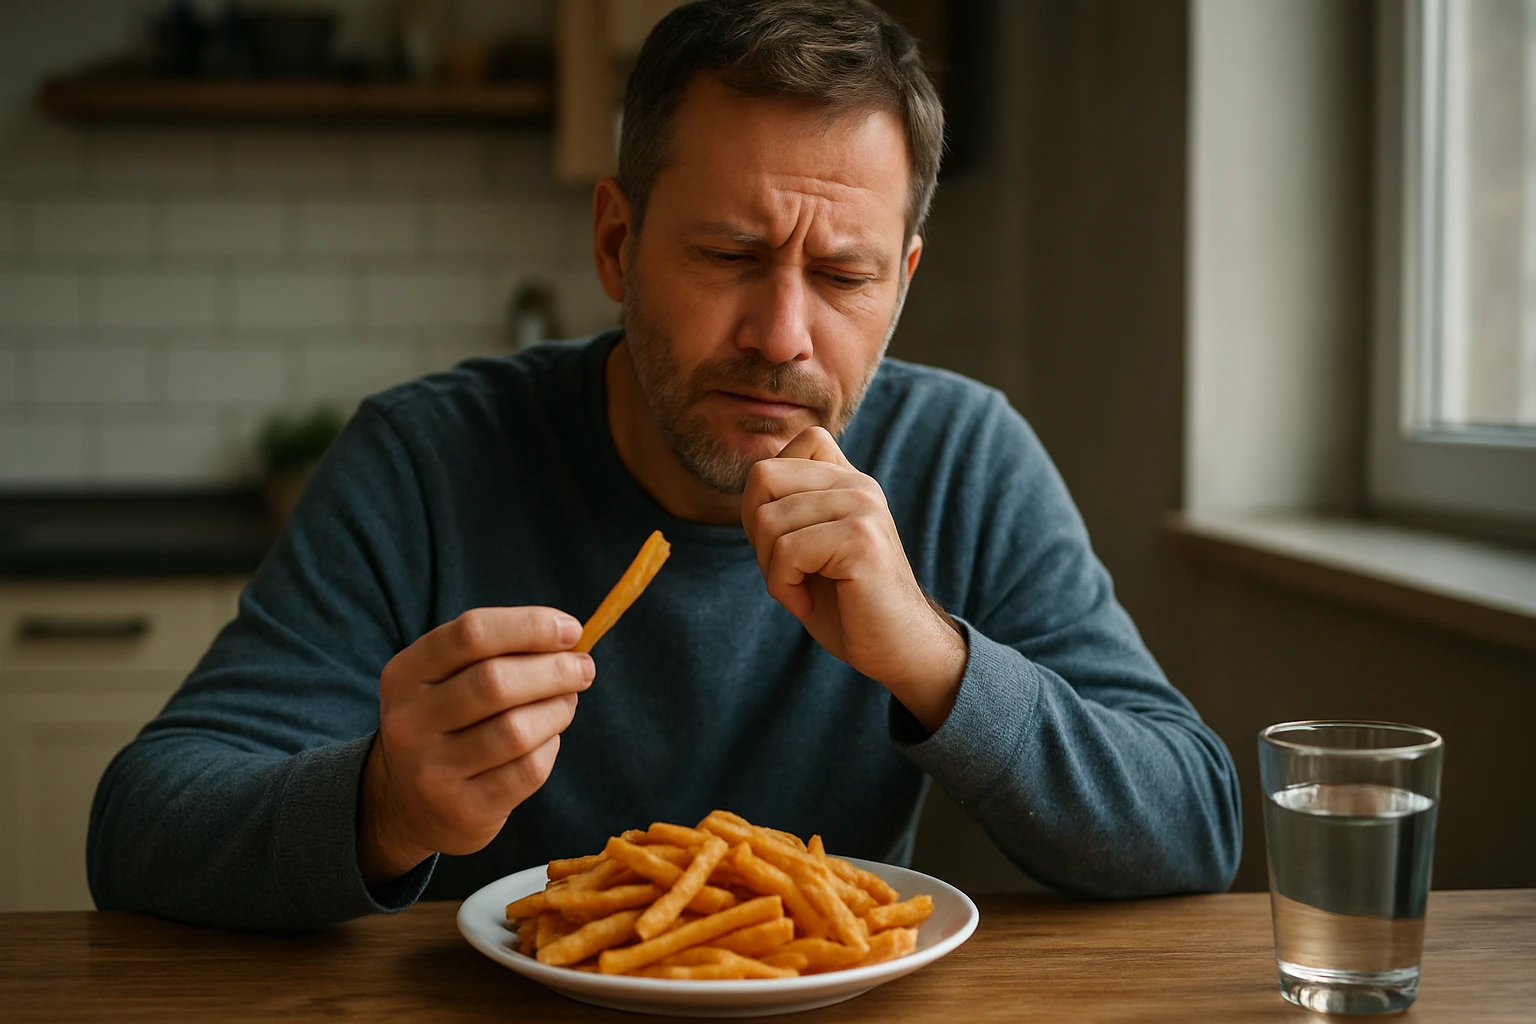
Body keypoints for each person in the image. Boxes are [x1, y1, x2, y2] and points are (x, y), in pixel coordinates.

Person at [88, 0, 1241, 929]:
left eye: (843, 277)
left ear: (902, 283)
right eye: (731, 254)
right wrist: (382, 804)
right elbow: (141, 827)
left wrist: (934, 660)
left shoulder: (963, 457)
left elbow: (1193, 824)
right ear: (617, 243)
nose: (782, 336)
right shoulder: (424, 461)